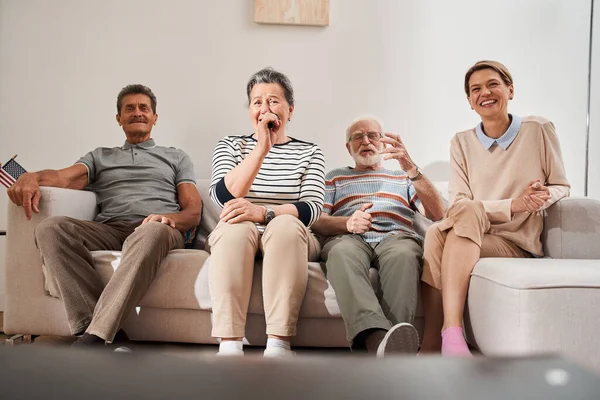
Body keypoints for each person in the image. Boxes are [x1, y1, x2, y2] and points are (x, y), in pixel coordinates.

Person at [7, 84, 202, 350]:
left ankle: (94, 337)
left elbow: (193, 210)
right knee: (51, 229)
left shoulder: (176, 157)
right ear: (119, 118)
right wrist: (30, 177)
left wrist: (167, 219)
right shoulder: (100, 157)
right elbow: (63, 178)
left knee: (150, 231)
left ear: (155, 117)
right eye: (129, 108)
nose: (137, 113)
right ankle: (101, 330)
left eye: (144, 108)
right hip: (110, 228)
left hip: (158, 228)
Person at [420, 60, 570, 356]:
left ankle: (438, 341)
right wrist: (513, 204)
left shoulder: (538, 129)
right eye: (476, 89)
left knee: (441, 233)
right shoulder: (461, 142)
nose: (485, 93)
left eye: (493, 84)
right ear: (469, 102)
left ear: (510, 90)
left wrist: (541, 196)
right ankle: (445, 340)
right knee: (445, 227)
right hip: (472, 230)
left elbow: (562, 185)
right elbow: (460, 203)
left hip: (515, 241)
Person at [208, 67, 325, 357]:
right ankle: (230, 344)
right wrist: (261, 148)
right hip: (240, 230)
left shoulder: (311, 152)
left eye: (273, 101)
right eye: (257, 102)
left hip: (290, 234)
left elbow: (311, 209)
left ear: (290, 109)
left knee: (285, 225)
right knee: (235, 227)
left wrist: (262, 213)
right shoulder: (231, 145)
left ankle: (278, 344)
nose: (264, 109)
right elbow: (222, 196)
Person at [311, 115, 445, 356]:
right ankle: (379, 341)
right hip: (348, 237)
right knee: (341, 253)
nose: (366, 141)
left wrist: (410, 167)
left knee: (405, 255)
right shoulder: (333, 176)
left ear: (383, 143)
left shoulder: (402, 177)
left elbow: (438, 213)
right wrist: (347, 222)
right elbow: (317, 221)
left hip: (396, 237)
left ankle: (392, 342)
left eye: (372, 135)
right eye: (357, 137)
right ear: (348, 147)